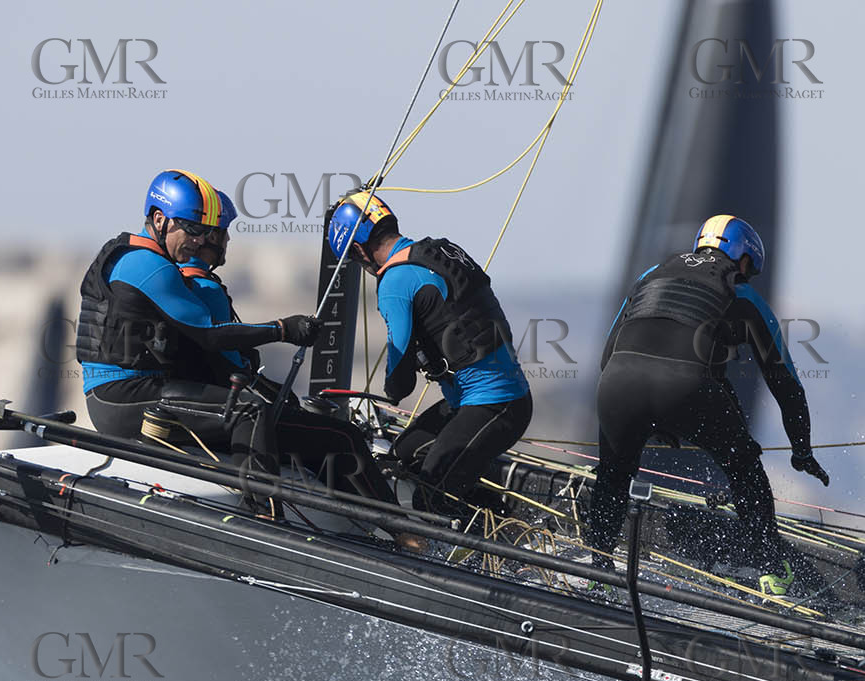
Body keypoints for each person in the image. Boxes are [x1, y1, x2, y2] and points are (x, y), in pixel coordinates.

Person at [584, 214, 827, 594]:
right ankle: (772, 573)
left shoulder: (651, 274)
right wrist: (802, 449)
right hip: (685, 387)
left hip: (617, 381)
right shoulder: (741, 293)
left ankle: (597, 571)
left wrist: (647, 417)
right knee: (745, 467)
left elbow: (608, 353)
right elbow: (786, 383)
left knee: (613, 475)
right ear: (743, 259)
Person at [173, 189, 402, 510]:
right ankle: (401, 530)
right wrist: (282, 333)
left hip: (202, 410)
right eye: (224, 233)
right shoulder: (207, 289)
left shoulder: (180, 285)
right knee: (343, 437)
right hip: (230, 419)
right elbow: (225, 361)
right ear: (210, 238)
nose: (229, 241)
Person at [76, 169, 318, 457]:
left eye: (205, 232)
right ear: (159, 219)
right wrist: (283, 329)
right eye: (192, 229)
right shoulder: (149, 266)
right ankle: (255, 489)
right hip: (124, 397)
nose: (200, 241)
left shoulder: (130, 253)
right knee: (249, 411)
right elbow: (210, 335)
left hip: (117, 396)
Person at [327, 190, 533, 515]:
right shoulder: (437, 251)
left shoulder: (394, 282)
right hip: (484, 401)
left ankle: (499, 538)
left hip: (494, 406)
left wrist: (393, 387)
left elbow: (401, 382)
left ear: (358, 249)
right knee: (404, 457)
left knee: (430, 499)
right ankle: (489, 510)